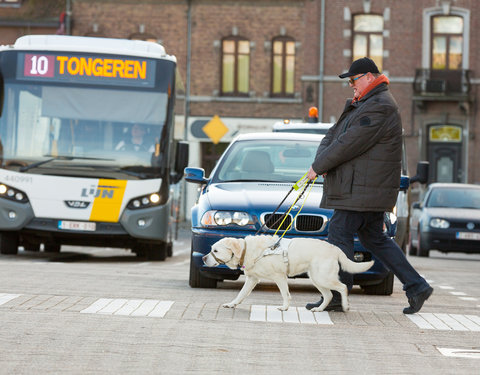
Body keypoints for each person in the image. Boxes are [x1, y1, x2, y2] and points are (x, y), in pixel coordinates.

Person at [306, 57, 433, 314]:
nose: (351, 86)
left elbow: (348, 143)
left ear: (367, 77)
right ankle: (416, 285)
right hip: (363, 189)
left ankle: (338, 295)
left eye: (353, 81)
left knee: (339, 233)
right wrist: (321, 160)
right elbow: (332, 135)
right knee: (374, 238)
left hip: (362, 189)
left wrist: (318, 166)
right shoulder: (363, 104)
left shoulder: (380, 106)